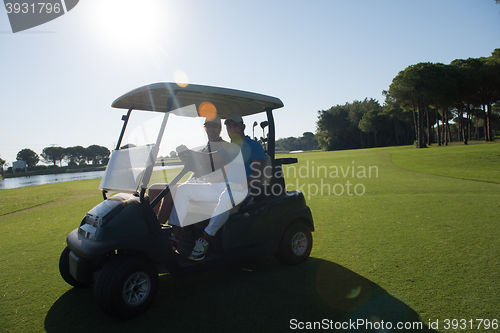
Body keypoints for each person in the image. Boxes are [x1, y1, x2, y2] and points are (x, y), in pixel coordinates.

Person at [159, 113, 266, 261]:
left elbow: (258, 175)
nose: (232, 129)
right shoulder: (230, 148)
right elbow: (208, 157)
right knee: (183, 190)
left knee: (226, 196)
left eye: (235, 125)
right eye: (229, 126)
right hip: (225, 186)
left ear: (243, 127)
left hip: (245, 188)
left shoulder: (254, 145)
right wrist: (189, 153)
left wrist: (241, 185)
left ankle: (204, 239)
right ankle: (174, 237)